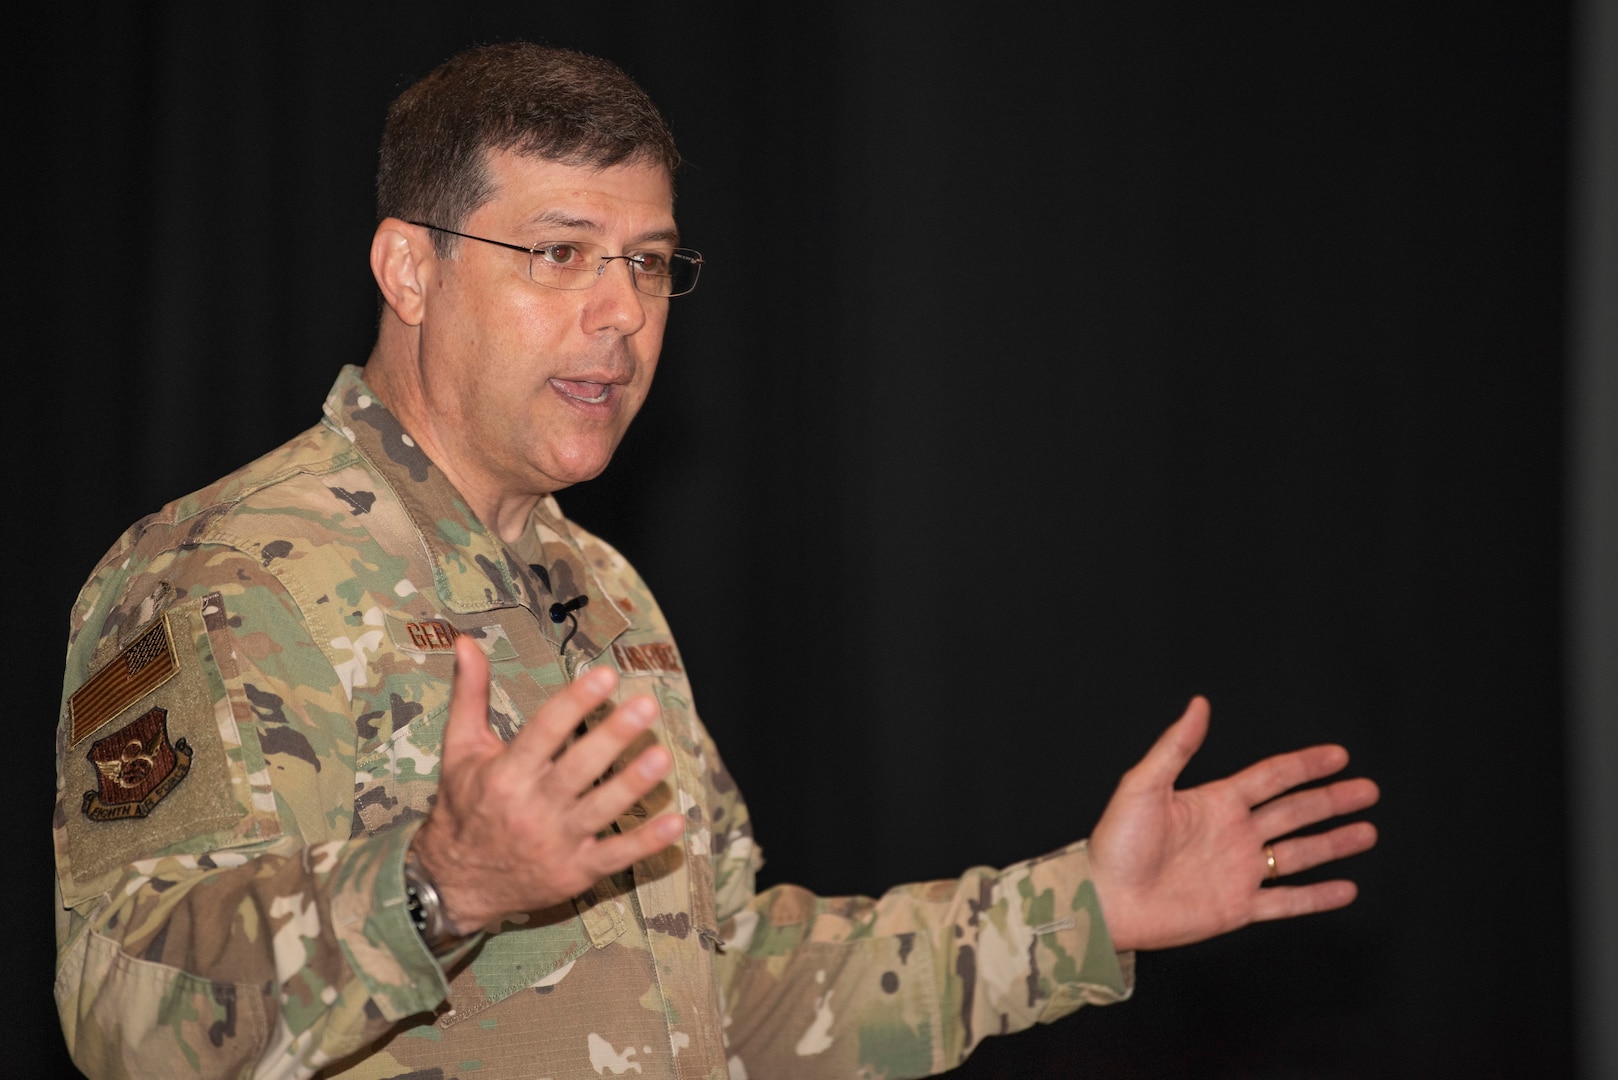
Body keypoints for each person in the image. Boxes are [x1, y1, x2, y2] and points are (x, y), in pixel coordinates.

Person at [52, 42, 1379, 1080]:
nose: (618, 313)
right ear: (410, 267)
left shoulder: (603, 593)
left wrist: (1078, 912)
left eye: (645, 263)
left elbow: (734, 992)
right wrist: (437, 885)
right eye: (559, 254)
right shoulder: (224, 570)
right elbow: (131, 1026)